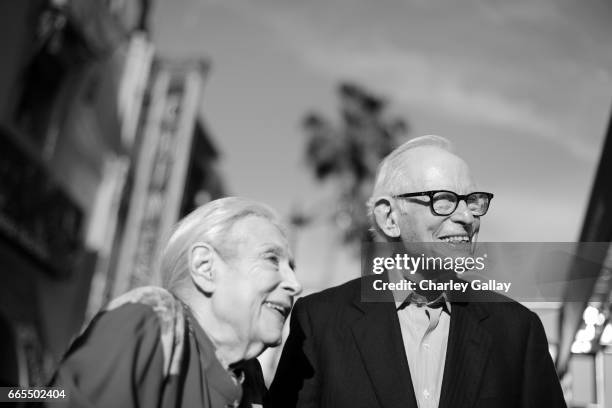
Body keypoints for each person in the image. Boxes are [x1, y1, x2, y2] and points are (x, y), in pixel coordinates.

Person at [266, 135, 566, 408]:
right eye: (443, 200)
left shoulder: (517, 330)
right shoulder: (321, 321)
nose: (466, 217)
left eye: (473, 202)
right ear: (390, 218)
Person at [49, 197, 302, 408]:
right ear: (205, 267)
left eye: (291, 267)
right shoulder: (149, 321)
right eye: (271, 259)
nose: (295, 284)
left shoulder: (251, 383)